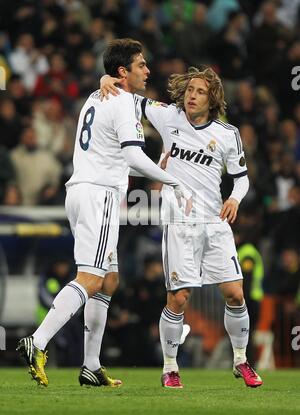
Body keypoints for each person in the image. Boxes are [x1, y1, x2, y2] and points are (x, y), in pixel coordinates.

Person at [16, 38, 191, 387]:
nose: (148, 70)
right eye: (141, 65)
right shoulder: (122, 101)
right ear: (123, 72)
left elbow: (121, 146)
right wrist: (172, 180)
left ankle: (91, 366)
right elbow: (132, 156)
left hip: (82, 191)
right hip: (100, 196)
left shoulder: (98, 96)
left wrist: (155, 168)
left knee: (108, 281)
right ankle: (37, 341)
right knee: (92, 278)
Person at [100, 65, 263, 388]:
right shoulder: (168, 116)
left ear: (212, 99)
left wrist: (234, 200)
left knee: (235, 294)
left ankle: (242, 360)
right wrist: (108, 81)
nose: (192, 96)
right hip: (179, 223)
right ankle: (170, 367)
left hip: (215, 224)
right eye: (190, 90)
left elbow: (241, 180)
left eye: (200, 92)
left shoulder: (227, 135)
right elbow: (131, 100)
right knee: (179, 298)